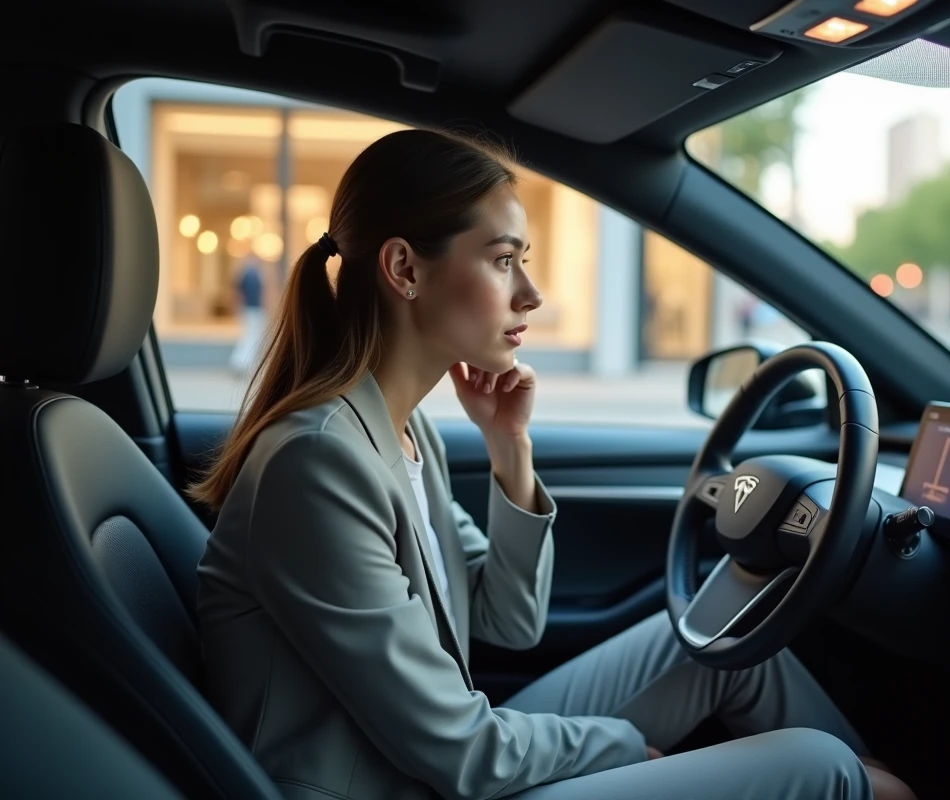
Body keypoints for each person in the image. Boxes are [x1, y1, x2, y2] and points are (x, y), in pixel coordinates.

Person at [191, 129, 913, 800]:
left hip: (431, 760)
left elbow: (509, 624)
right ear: (405, 268)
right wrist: (630, 749)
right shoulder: (319, 462)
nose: (531, 296)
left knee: (722, 644)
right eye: (504, 261)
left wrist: (510, 453)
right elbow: (459, 754)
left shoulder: (405, 435)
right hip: (403, 783)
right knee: (817, 769)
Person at [228, 254, 267, 375]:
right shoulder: (250, 276)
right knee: (251, 336)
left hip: (253, 309)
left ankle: (243, 362)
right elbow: (240, 294)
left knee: (252, 336)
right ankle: (240, 362)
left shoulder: (251, 275)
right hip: (252, 309)